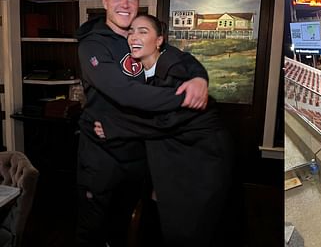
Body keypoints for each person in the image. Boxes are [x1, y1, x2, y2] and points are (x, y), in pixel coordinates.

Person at [75, 0, 209, 247]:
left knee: (126, 225)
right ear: (104, 1)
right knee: (93, 228)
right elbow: (125, 93)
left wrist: (199, 78)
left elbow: (182, 58)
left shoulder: (141, 33)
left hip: (139, 151)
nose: (125, 4)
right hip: (102, 154)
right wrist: (184, 97)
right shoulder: (92, 44)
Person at [93, 14, 235, 246]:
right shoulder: (150, 66)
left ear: (159, 41)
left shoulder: (173, 68)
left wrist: (113, 127)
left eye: (142, 31)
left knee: (193, 223)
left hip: (201, 156)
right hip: (177, 152)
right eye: (131, 31)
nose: (134, 37)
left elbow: (167, 120)